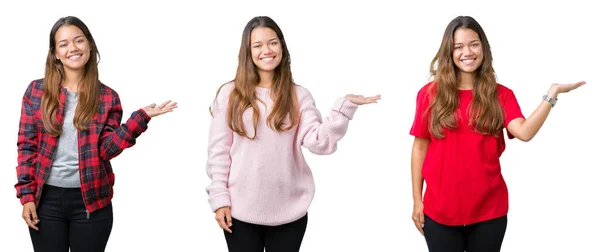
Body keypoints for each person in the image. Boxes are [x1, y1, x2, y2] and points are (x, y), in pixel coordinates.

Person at [409, 15, 585, 252]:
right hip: (439, 211)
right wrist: (417, 200)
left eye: (473, 44)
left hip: (488, 212)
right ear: (448, 52)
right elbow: (420, 148)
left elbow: (523, 132)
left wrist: (552, 94)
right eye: (458, 46)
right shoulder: (429, 94)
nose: (467, 52)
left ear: (483, 47)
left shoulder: (501, 95)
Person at [206, 16, 380, 252]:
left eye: (272, 42)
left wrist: (344, 107)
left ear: (282, 47)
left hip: (290, 214)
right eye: (257, 45)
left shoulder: (299, 95)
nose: (266, 50)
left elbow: (319, 141)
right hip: (239, 212)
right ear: (248, 52)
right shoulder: (229, 94)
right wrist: (219, 200)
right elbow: (219, 152)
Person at [15, 16, 177, 252]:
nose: (73, 48)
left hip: (91, 202)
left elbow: (105, 150)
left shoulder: (108, 97)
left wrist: (139, 119)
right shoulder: (36, 91)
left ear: (90, 45)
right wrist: (27, 196)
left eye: (79, 40)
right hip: (45, 201)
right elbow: (26, 147)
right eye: (64, 44)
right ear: (55, 54)